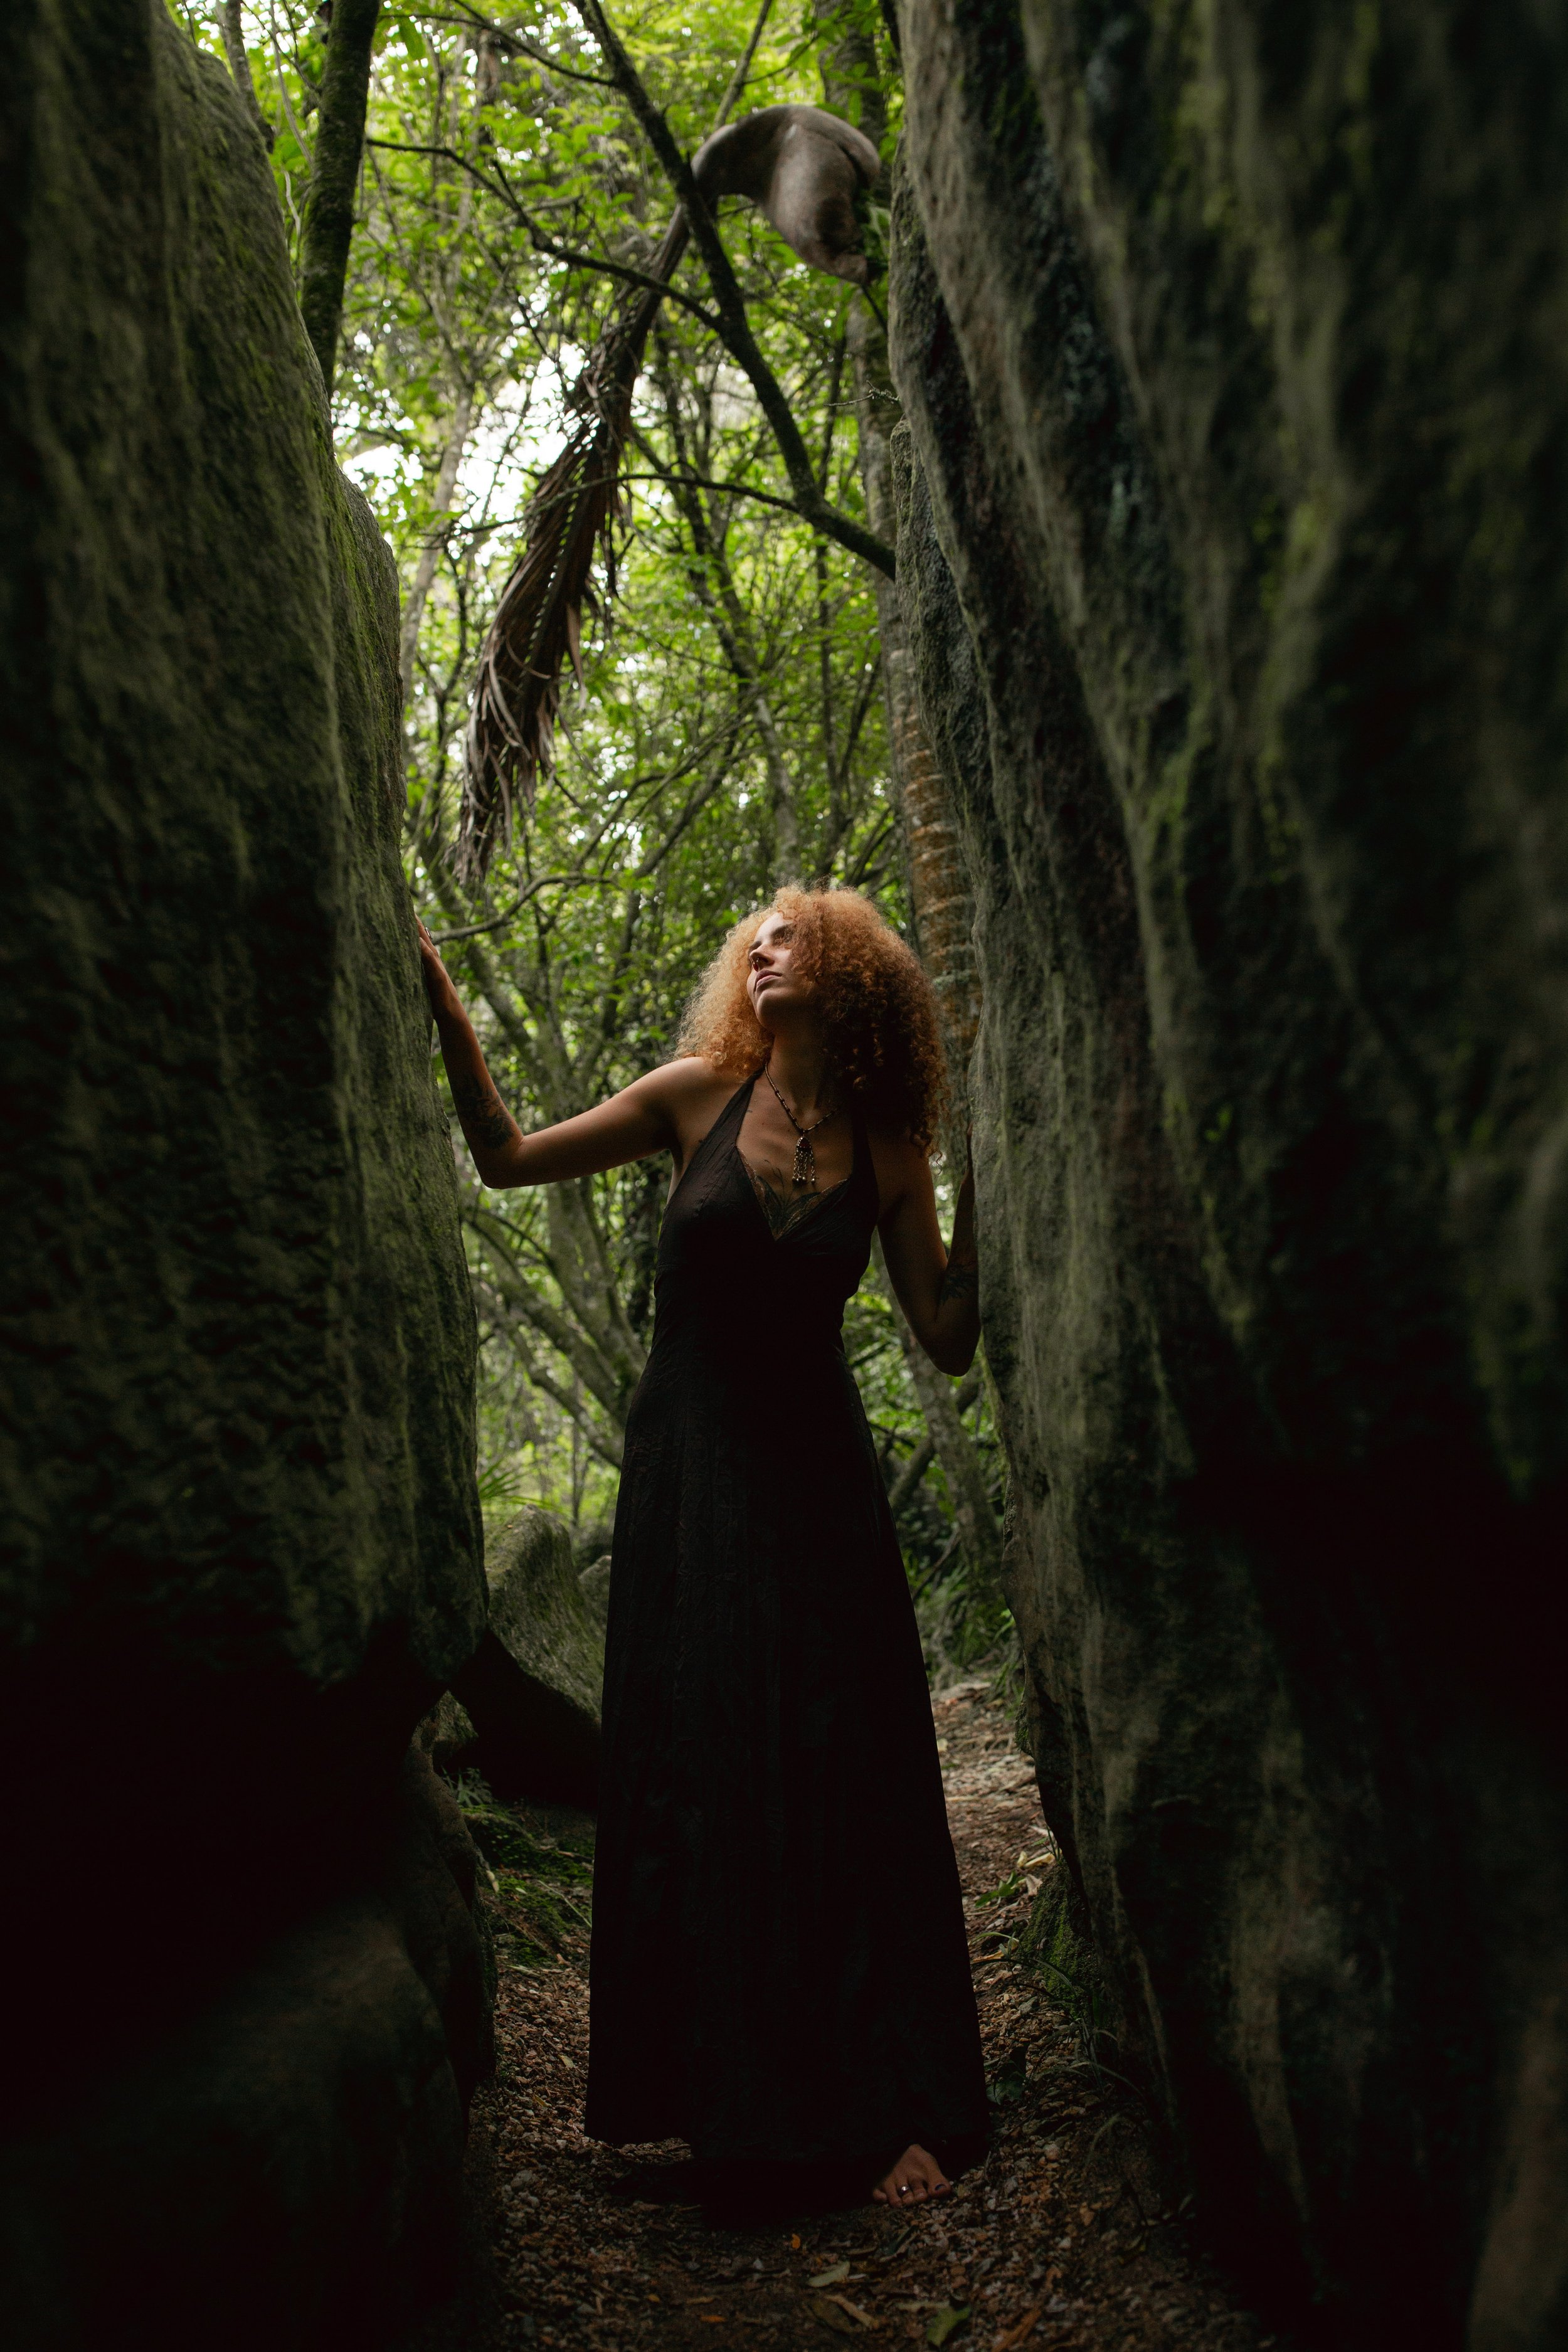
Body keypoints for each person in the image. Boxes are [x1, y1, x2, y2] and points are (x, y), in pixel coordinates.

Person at [418, 884, 988, 2219]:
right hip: (690, 1481)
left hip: (819, 1492)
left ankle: (885, 2104)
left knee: (841, 1767)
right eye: (758, 943)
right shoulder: (689, 1099)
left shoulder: (893, 1144)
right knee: (706, 1760)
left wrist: (991, 1201)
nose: (768, 951)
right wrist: (449, 1016)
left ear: (850, 976)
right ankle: (719, 2098)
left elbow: (946, 1339)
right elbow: (504, 1156)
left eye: (794, 938)